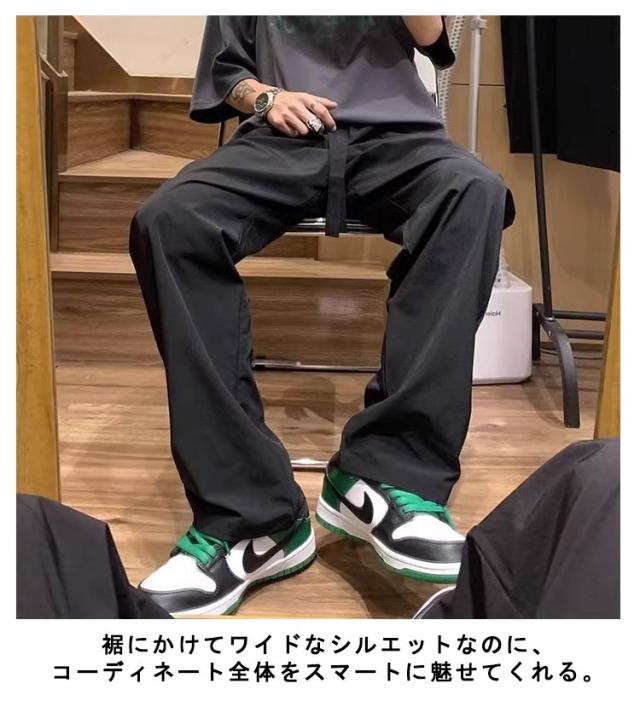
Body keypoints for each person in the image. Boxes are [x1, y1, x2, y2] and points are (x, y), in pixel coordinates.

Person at [130, 16, 515, 616]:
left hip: (399, 140)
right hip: (280, 141)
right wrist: (269, 98)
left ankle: (390, 476)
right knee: (170, 222)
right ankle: (252, 518)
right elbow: (227, 74)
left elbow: (435, 42)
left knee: (473, 193)